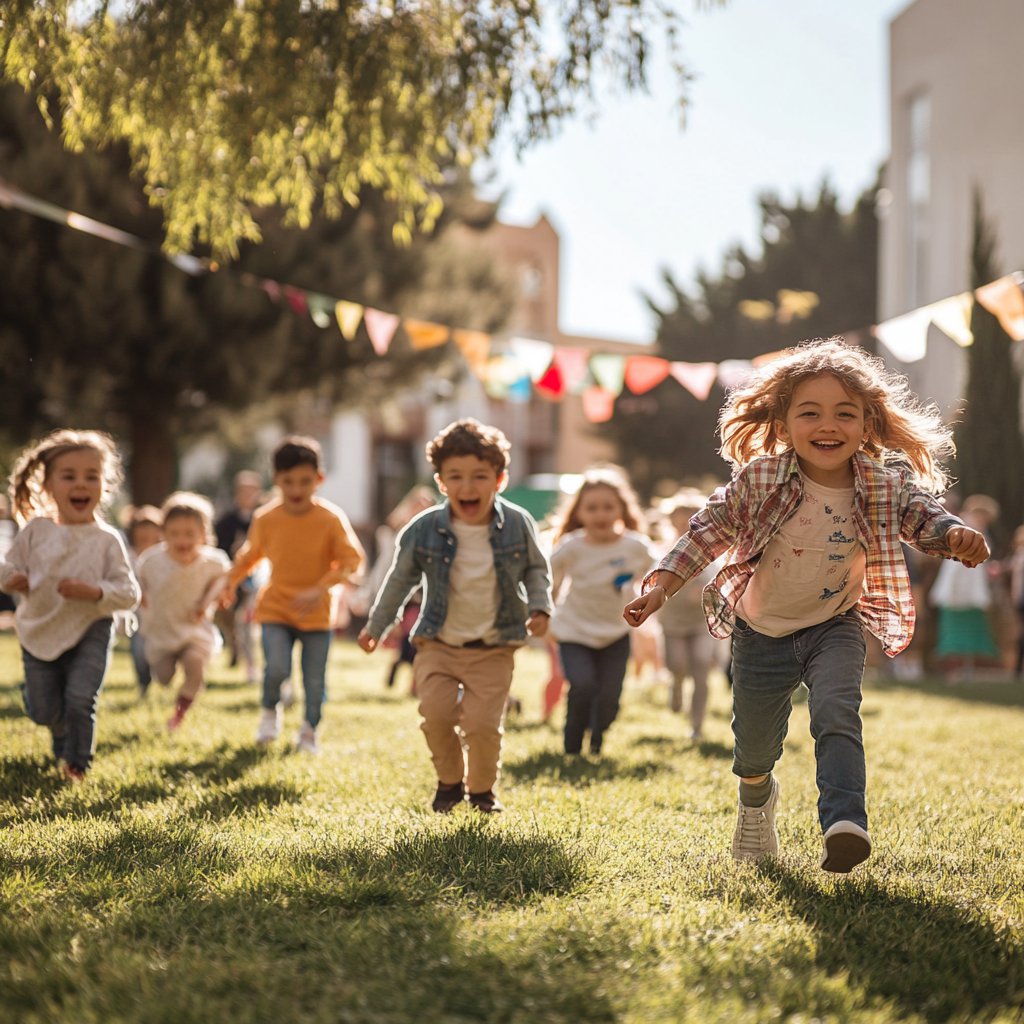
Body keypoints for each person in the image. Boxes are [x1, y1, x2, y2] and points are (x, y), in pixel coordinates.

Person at [623, 338, 990, 873]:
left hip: (834, 623)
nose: (828, 425)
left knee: (836, 711)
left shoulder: (884, 484)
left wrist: (955, 534)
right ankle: (756, 803)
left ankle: (844, 823)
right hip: (760, 630)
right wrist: (661, 584)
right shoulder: (761, 478)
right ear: (783, 422)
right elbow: (707, 530)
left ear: (868, 425)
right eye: (810, 412)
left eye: (846, 413)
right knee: (754, 746)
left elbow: (924, 515)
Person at [357, 418, 552, 813]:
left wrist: (539, 606)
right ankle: (449, 782)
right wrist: (378, 625)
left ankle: (481, 791)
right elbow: (399, 581)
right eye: (456, 477)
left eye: (480, 476)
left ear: (499, 479)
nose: (468, 487)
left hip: (494, 645)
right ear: (441, 482)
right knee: (436, 714)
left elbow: (536, 568)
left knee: (482, 725)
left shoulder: (516, 523)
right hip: (438, 643)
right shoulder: (423, 529)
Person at [0, 429, 140, 783]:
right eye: (69, 476)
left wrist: (94, 591)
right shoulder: (35, 531)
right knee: (45, 710)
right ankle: (55, 724)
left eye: (91, 476)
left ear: (104, 486)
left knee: (80, 698)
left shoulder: (107, 540)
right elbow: (8, 567)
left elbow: (129, 593)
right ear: (48, 486)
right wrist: (11, 579)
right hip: (40, 627)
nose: (81, 484)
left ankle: (78, 762)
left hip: (92, 625)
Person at [226, 436, 365, 754]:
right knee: (276, 668)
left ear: (319, 479)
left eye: (305, 481)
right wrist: (229, 583)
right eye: (288, 481)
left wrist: (319, 588)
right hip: (276, 607)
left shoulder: (330, 519)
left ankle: (309, 731)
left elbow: (352, 561)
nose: (297, 489)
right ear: (276, 480)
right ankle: (268, 712)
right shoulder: (266, 518)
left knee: (314, 680)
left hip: (317, 612)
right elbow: (250, 556)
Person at [548, 467, 655, 757]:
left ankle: (597, 739)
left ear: (622, 509)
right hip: (574, 630)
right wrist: (543, 612)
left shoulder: (635, 546)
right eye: (592, 508)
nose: (601, 515)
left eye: (608, 507)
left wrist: (648, 599)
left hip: (616, 633)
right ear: (579, 513)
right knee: (581, 685)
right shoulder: (572, 547)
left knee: (609, 698)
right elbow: (547, 579)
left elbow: (660, 574)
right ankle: (572, 749)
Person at [136, 492, 231, 731]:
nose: (182, 541)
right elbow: (137, 582)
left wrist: (208, 600)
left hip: (195, 629)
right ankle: (168, 677)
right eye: (174, 534)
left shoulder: (213, 562)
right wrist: (141, 595)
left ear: (204, 535)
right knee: (164, 677)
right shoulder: (152, 561)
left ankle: (179, 713)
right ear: (163, 533)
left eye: (190, 534)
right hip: (162, 630)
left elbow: (223, 580)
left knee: (195, 665)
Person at [657, 488, 726, 741]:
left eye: (691, 515)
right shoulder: (663, 548)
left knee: (700, 665)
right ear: (671, 519)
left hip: (700, 620)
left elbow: (719, 576)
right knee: (676, 664)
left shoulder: (711, 549)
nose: (686, 522)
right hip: (671, 621)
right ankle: (675, 685)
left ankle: (696, 726)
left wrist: (702, 590)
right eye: (680, 516)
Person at [352, 485, 436, 692]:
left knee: (418, 642)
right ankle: (407, 675)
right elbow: (384, 569)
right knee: (409, 641)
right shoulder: (396, 535)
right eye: (417, 504)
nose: (420, 509)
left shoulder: (436, 532)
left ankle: (414, 682)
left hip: (424, 597)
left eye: (425, 505)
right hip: (404, 597)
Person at [928, 500, 1001, 681]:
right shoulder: (963, 531)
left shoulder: (980, 533)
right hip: (958, 594)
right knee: (953, 635)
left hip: (971, 594)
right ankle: (952, 671)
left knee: (970, 633)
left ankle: (966, 670)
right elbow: (955, 570)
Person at [214, 470, 264, 683]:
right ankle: (236, 649)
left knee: (249, 624)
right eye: (244, 491)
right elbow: (219, 547)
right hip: (236, 578)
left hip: (259, 579)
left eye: (252, 490)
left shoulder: (263, 516)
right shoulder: (227, 520)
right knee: (234, 622)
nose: (248, 495)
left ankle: (251, 665)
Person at [121, 503, 163, 696]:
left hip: (160, 614)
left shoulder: (163, 557)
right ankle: (144, 683)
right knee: (139, 651)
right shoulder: (127, 557)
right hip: (138, 614)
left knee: (159, 650)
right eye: (142, 537)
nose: (146, 542)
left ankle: (161, 676)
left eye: (152, 537)